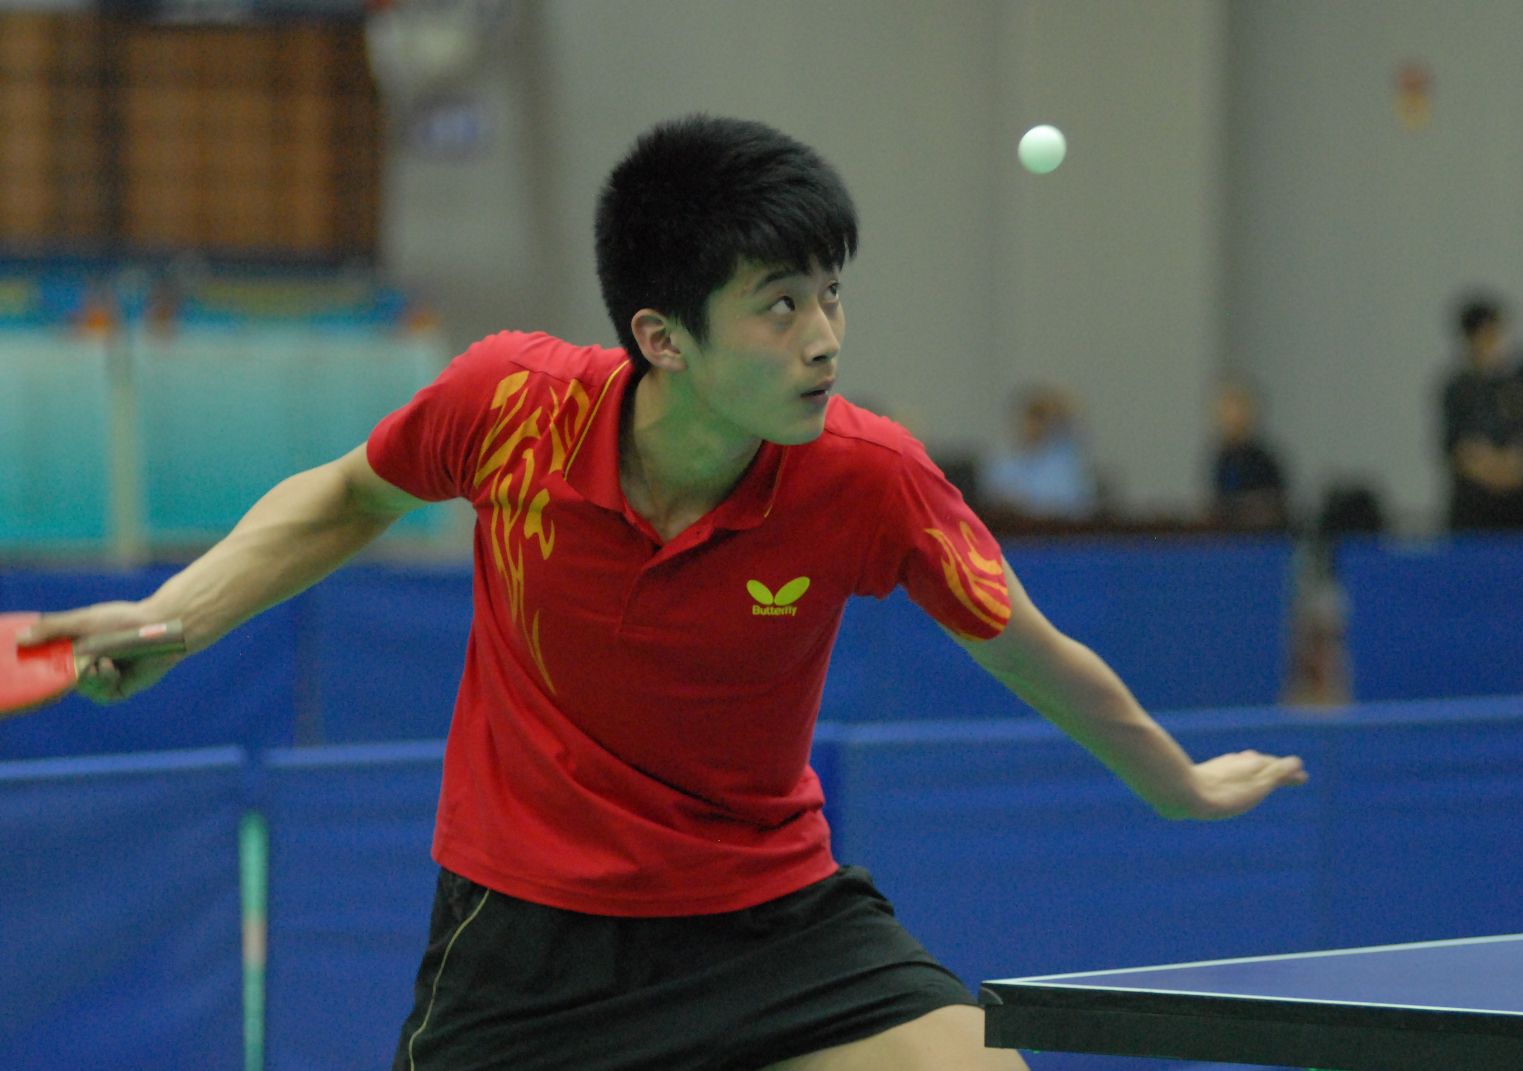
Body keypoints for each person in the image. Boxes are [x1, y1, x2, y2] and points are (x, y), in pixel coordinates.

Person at [20, 116, 1307, 1071]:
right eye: (779, 307)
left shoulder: (867, 478)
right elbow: (347, 495)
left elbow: (1026, 647)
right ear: (660, 338)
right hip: (527, 943)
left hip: (769, 921)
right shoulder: (511, 409)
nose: (825, 339)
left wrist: (1175, 783)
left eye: (831, 296)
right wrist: (179, 616)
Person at [1439, 293, 1523, 531]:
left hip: (1520, 499)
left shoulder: (1521, 382)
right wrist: (1489, 468)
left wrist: (1514, 466)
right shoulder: (1457, 388)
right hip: (1474, 500)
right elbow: (1454, 444)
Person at [976, 383, 1098, 523]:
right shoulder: (1004, 464)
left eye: (1042, 418)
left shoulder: (1065, 464)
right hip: (1019, 530)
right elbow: (995, 499)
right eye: (1031, 418)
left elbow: (1075, 503)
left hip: (1062, 531)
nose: (1034, 425)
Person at [1208, 380, 1289, 532]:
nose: (1232, 421)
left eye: (1237, 414)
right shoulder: (1222, 460)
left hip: (1259, 536)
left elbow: (1276, 505)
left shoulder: (1264, 461)